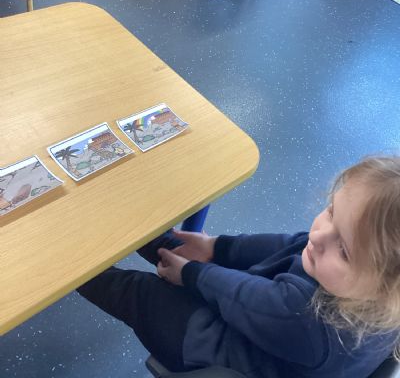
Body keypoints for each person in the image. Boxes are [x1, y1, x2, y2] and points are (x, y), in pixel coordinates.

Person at [77, 156, 400, 378]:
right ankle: (113, 221)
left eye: (343, 250)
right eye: (330, 212)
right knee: (176, 250)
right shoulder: (341, 267)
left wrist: (190, 274)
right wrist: (216, 246)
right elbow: (289, 243)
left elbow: (250, 299)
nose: (318, 236)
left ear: (387, 289)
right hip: (256, 311)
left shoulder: (307, 320)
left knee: (140, 290)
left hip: (222, 354)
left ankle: (74, 267)